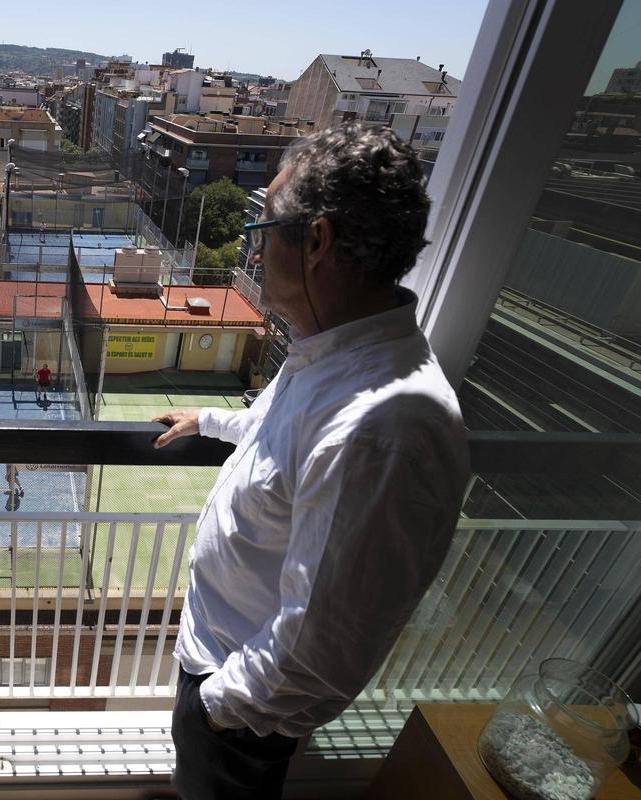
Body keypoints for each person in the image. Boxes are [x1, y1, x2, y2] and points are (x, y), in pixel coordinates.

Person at [153, 123, 469, 800]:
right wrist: (208, 421)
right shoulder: (331, 353)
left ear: (316, 241)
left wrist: (210, 710)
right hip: (219, 665)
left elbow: (321, 655)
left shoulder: (383, 428)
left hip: (237, 710)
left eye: (265, 229)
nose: (256, 247)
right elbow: (280, 437)